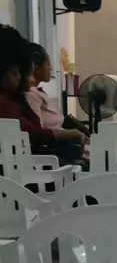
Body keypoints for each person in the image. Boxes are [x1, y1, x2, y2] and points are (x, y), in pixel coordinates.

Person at [0, 26, 86, 164]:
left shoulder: (16, 99)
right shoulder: (6, 103)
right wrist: (69, 134)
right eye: (15, 73)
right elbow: (33, 133)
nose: (20, 78)